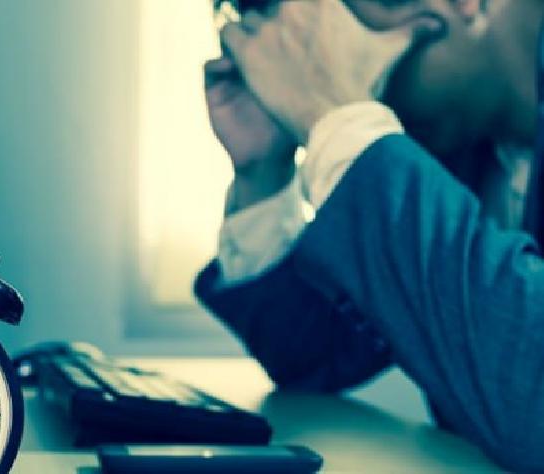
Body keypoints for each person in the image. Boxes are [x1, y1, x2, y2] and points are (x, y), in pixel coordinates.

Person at [195, 0, 544, 470]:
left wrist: (337, 117)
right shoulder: (457, 135)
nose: (345, 76)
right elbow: (314, 357)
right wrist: (264, 174)